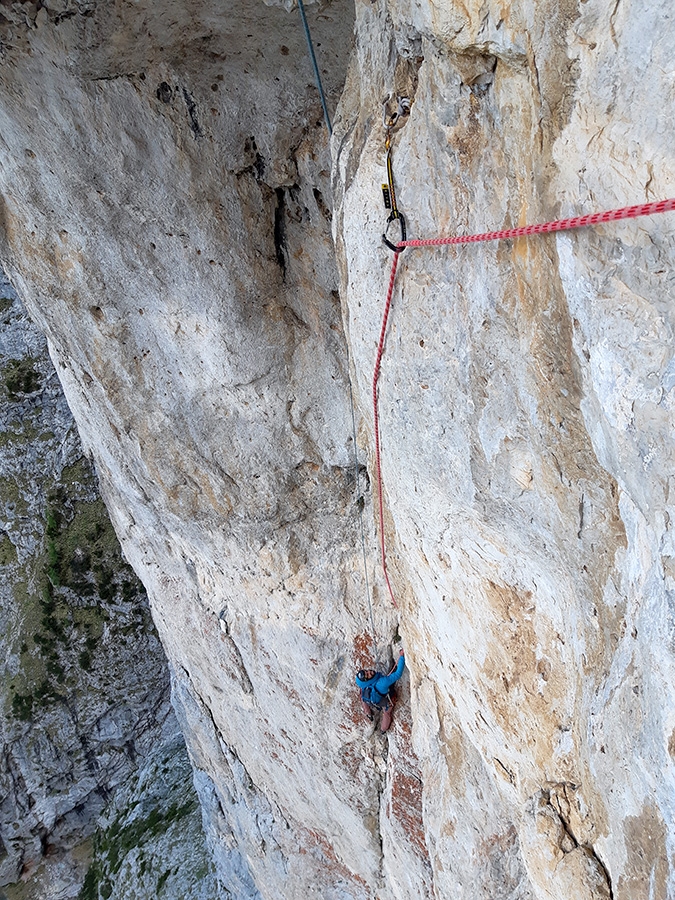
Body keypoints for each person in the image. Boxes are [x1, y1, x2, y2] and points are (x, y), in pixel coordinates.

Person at [355, 649, 405, 732]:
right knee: (387, 713)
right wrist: (402, 656)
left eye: (367, 671)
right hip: (386, 700)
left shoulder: (363, 685)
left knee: (363, 697)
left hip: (372, 698)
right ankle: (383, 729)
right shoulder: (382, 682)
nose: (369, 672)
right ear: (367, 680)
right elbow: (397, 674)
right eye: (368, 674)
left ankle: (368, 713)